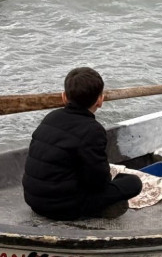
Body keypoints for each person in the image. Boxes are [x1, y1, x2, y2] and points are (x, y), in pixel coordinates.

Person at [23, 67, 143, 220]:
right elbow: (99, 182)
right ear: (100, 100)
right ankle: (98, 211)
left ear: (64, 97)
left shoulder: (51, 117)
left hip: (33, 199)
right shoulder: (93, 130)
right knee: (133, 183)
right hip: (61, 207)